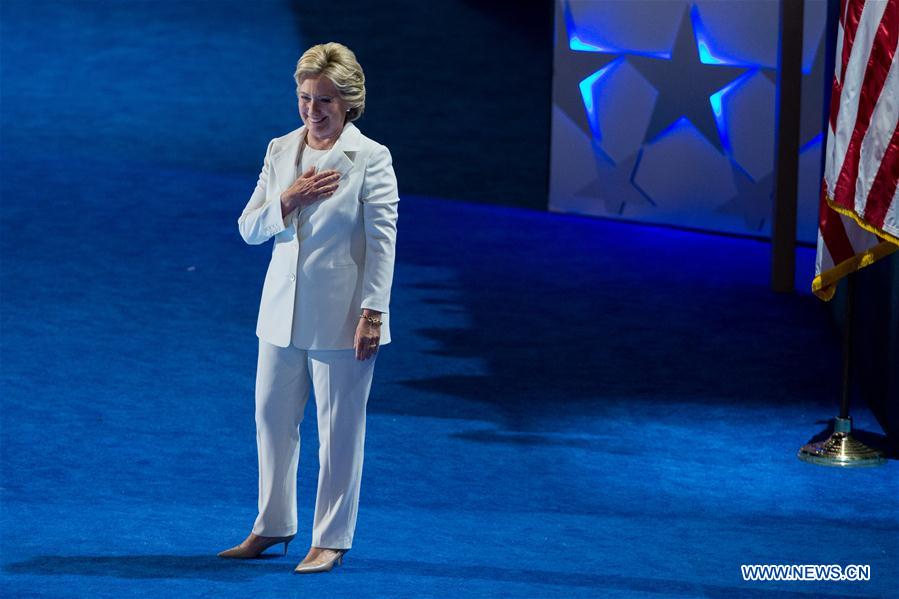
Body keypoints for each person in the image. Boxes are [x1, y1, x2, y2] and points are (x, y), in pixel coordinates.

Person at [218, 42, 399, 574]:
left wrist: (374, 312)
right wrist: (288, 200)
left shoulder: (371, 157)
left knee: (340, 428)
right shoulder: (280, 149)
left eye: (324, 100)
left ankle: (332, 537)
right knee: (271, 421)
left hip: (343, 317)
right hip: (279, 314)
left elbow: (382, 240)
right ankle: (272, 525)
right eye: (304, 97)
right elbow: (249, 228)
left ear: (348, 102)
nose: (312, 110)